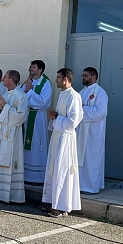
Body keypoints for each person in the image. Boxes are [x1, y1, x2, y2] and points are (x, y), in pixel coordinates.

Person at [43, 68, 83, 218]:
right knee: (54, 169)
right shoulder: (63, 95)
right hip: (57, 137)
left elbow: (73, 121)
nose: (56, 80)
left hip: (65, 139)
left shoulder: (74, 96)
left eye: (59, 77)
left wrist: (56, 117)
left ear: (65, 79)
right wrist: (55, 117)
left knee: (62, 171)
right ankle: (53, 202)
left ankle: (61, 206)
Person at [0, 70, 28, 203]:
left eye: (5, 77)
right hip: (3, 131)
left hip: (13, 134)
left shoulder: (20, 95)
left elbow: (20, 116)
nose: (3, 79)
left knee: (11, 162)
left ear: (11, 80)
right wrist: (1, 108)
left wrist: (4, 106)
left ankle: (13, 196)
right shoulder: (6, 94)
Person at [77, 67, 108, 194]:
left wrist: (83, 109)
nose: (83, 78)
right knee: (81, 158)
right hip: (82, 131)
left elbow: (101, 112)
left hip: (94, 132)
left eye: (86, 75)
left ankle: (91, 186)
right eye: (83, 75)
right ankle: (80, 185)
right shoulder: (81, 92)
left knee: (92, 159)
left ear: (93, 77)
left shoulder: (100, 93)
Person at [22, 60, 52, 184]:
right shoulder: (28, 81)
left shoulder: (46, 83)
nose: (30, 69)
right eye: (30, 67)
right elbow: (20, 96)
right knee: (25, 143)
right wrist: (25, 90)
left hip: (38, 117)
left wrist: (29, 91)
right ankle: (24, 174)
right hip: (27, 116)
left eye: (33, 67)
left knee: (36, 146)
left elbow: (43, 102)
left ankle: (36, 177)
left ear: (40, 70)